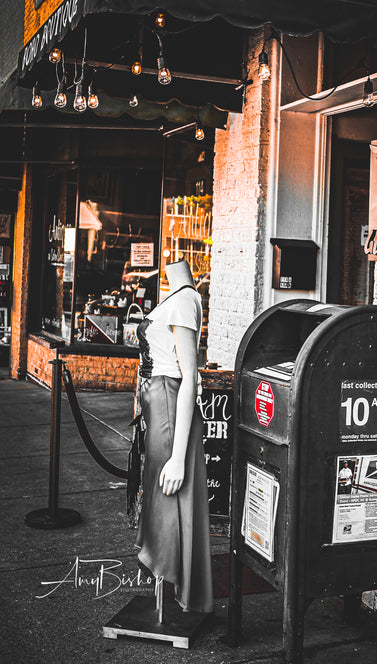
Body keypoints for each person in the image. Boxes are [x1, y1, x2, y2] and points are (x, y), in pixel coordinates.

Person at [134, 257, 213, 614]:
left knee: (170, 498)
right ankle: (170, 581)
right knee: (160, 496)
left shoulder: (183, 301)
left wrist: (178, 457)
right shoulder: (179, 296)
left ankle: (171, 576)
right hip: (159, 405)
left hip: (169, 405)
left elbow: (189, 378)